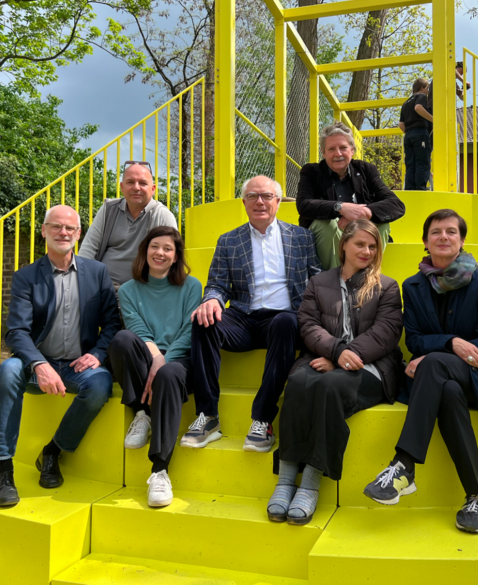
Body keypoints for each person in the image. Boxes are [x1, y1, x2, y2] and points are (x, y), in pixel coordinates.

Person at [362, 209, 478, 534]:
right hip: (441, 380)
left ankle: (404, 464)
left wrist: (440, 351)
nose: (444, 237)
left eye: (451, 232)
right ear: (425, 241)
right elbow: (415, 339)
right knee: (446, 391)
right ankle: (477, 496)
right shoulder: (414, 285)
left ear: (461, 241)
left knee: (432, 364)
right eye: (436, 232)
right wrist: (452, 343)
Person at [267, 219, 405, 525]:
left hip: (372, 368)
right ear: (343, 244)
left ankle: (311, 484)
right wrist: (335, 352)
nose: (367, 251)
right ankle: (286, 479)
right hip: (324, 358)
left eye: (372, 246)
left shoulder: (387, 286)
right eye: (360, 244)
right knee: (299, 381)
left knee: (330, 387)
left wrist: (345, 356)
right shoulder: (319, 283)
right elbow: (307, 324)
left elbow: (386, 333)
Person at [0, 205, 120, 507]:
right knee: (8, 371)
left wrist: (98, 354)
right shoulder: (26, 276)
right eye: (56, 226)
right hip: (36, 363)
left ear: (78, 234)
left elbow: (112, 322)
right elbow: (16, 331)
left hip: (77, 364)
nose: (63, 233)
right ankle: (3, 469)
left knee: (100, 385)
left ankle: (52, 452)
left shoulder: (97, 273)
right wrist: (39, 364)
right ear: (44, 231)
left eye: (70, 228)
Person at [185, 175, 321, 453]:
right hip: (244, 318)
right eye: (253, 196)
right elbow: (217, 284)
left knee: (285, 321)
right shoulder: (228, 241)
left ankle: (262, 419)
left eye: (267, 196)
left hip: (284, 320)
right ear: (244, 202)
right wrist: (211, 300)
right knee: (203, 321)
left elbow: (316, 280)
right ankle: (208, 416)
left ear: (278, 202)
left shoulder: (302, 237)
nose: (260, 201)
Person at [106, 226, 202, 507]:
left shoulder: (192, 286)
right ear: (145, 251)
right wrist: (156, 359)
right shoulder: (128, 290)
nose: (160, 252)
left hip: (181, 360)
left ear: (176, 257)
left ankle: (160, 470)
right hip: (147, 355)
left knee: (169, 373)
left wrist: (165, 360)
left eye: (167, 249)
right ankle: (142, 413)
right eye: (154, 246)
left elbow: (188, 331)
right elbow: (138, 330)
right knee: (122, 340)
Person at [296, 122, 406, 270]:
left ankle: (365, 277)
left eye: (343, 148)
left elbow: (396, 205)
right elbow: (304, 205)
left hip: (359, 233)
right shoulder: (311, 172)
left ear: (352, 150)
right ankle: (333, 281)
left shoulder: (366, 170)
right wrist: (340, 208)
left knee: (383, 225)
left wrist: (363, 213)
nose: (338, 154)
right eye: (331, 149)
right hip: (328, 238)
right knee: (327, 225)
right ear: (323, 152)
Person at [78, 160, 177, 288]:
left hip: (141, 292)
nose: (136, 187)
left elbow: (170, 260)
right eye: (130, 182)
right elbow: (88, 250)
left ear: (153, 189)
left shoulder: (162, 216)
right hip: (101, 288)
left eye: (142, 183)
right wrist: (85, 283)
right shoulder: (108, 209)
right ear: (122, 187)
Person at [399, 77, 434, 191]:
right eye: (427, 88)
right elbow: (418, 107)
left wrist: (410, 132)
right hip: (420, 133)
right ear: (422, 88)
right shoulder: (422, 96)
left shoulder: (405, 103)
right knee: (422, 162)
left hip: (408, 135)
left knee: (410, 163)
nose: (428, 91)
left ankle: (410, 189)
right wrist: (433, 120)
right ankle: (420, 189)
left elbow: (401, 125)